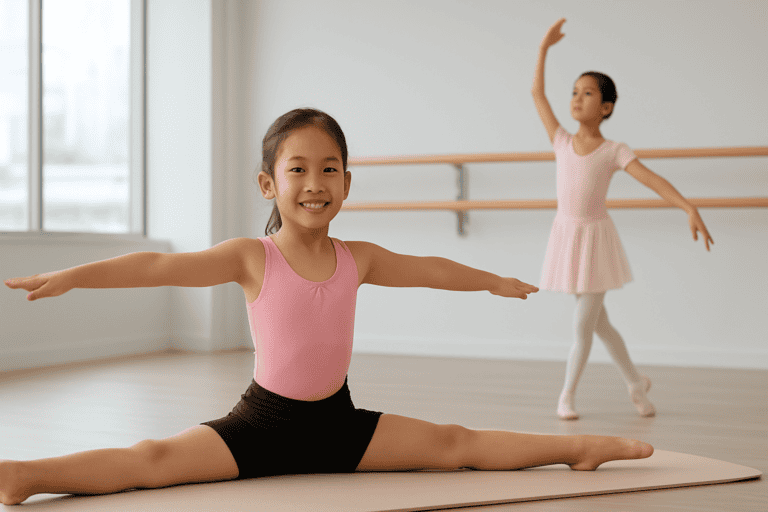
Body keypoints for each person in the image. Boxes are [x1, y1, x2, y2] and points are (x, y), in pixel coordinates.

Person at [1, 108, 654, 506]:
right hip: (260, 427)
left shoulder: (358, 256)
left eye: (330, 169)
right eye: (299, 170)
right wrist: (72, 276)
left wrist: (492, 280)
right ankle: (26, 474)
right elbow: (156, 266)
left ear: (346, 181)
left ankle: (583, 449)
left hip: (341, 427)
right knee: (153, 461)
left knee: (458, 443)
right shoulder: (251, 256)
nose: (315, 184)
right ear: (269, 183)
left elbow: (427, 270)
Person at [531, 19, 714, 420]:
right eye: (574, 92)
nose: (577, 98)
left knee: (582, 325)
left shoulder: (614, 150)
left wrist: (688, 206)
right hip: (568, 236)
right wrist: (544, 49)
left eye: (588, 93)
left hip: (595, 243)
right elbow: (536, 94)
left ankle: (567, 395)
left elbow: (651, 178)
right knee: (600, 324)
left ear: (606, 107)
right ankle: (635, 383)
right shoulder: (561, 141)